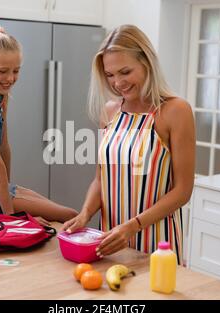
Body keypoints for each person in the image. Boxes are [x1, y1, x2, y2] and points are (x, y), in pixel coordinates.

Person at [62, 25, 195, 265]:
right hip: (110, 244)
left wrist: (132, 227)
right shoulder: (110, 112)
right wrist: (85, 214)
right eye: (110, 75)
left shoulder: (175, 111)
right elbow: (100, 180)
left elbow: (182, 191)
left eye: (125, 72)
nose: (117, 82)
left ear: (147, 62)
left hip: (158, 246)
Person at [0, 27, 78, 224]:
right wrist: (9, 216)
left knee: (59, 217)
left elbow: (4, 148)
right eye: (3, 71)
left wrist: (9, 191)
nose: (10, 78)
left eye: (16, 71)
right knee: (69, 216)